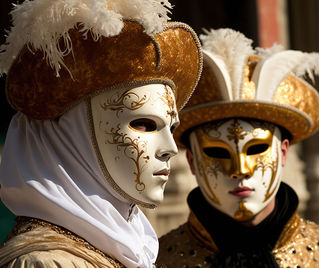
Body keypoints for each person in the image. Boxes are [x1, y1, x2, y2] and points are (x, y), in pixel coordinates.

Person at [156, 28, 319, 267]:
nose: (240, 170)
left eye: (256, 149)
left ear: (283, 152)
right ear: (191, 162)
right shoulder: (150, 263)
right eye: (217, 152)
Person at [0, 0, 202, 267]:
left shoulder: (127, 248)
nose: (170, 148)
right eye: (144, 124)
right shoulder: (43, 262)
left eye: (171, 127)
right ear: (75, 137)